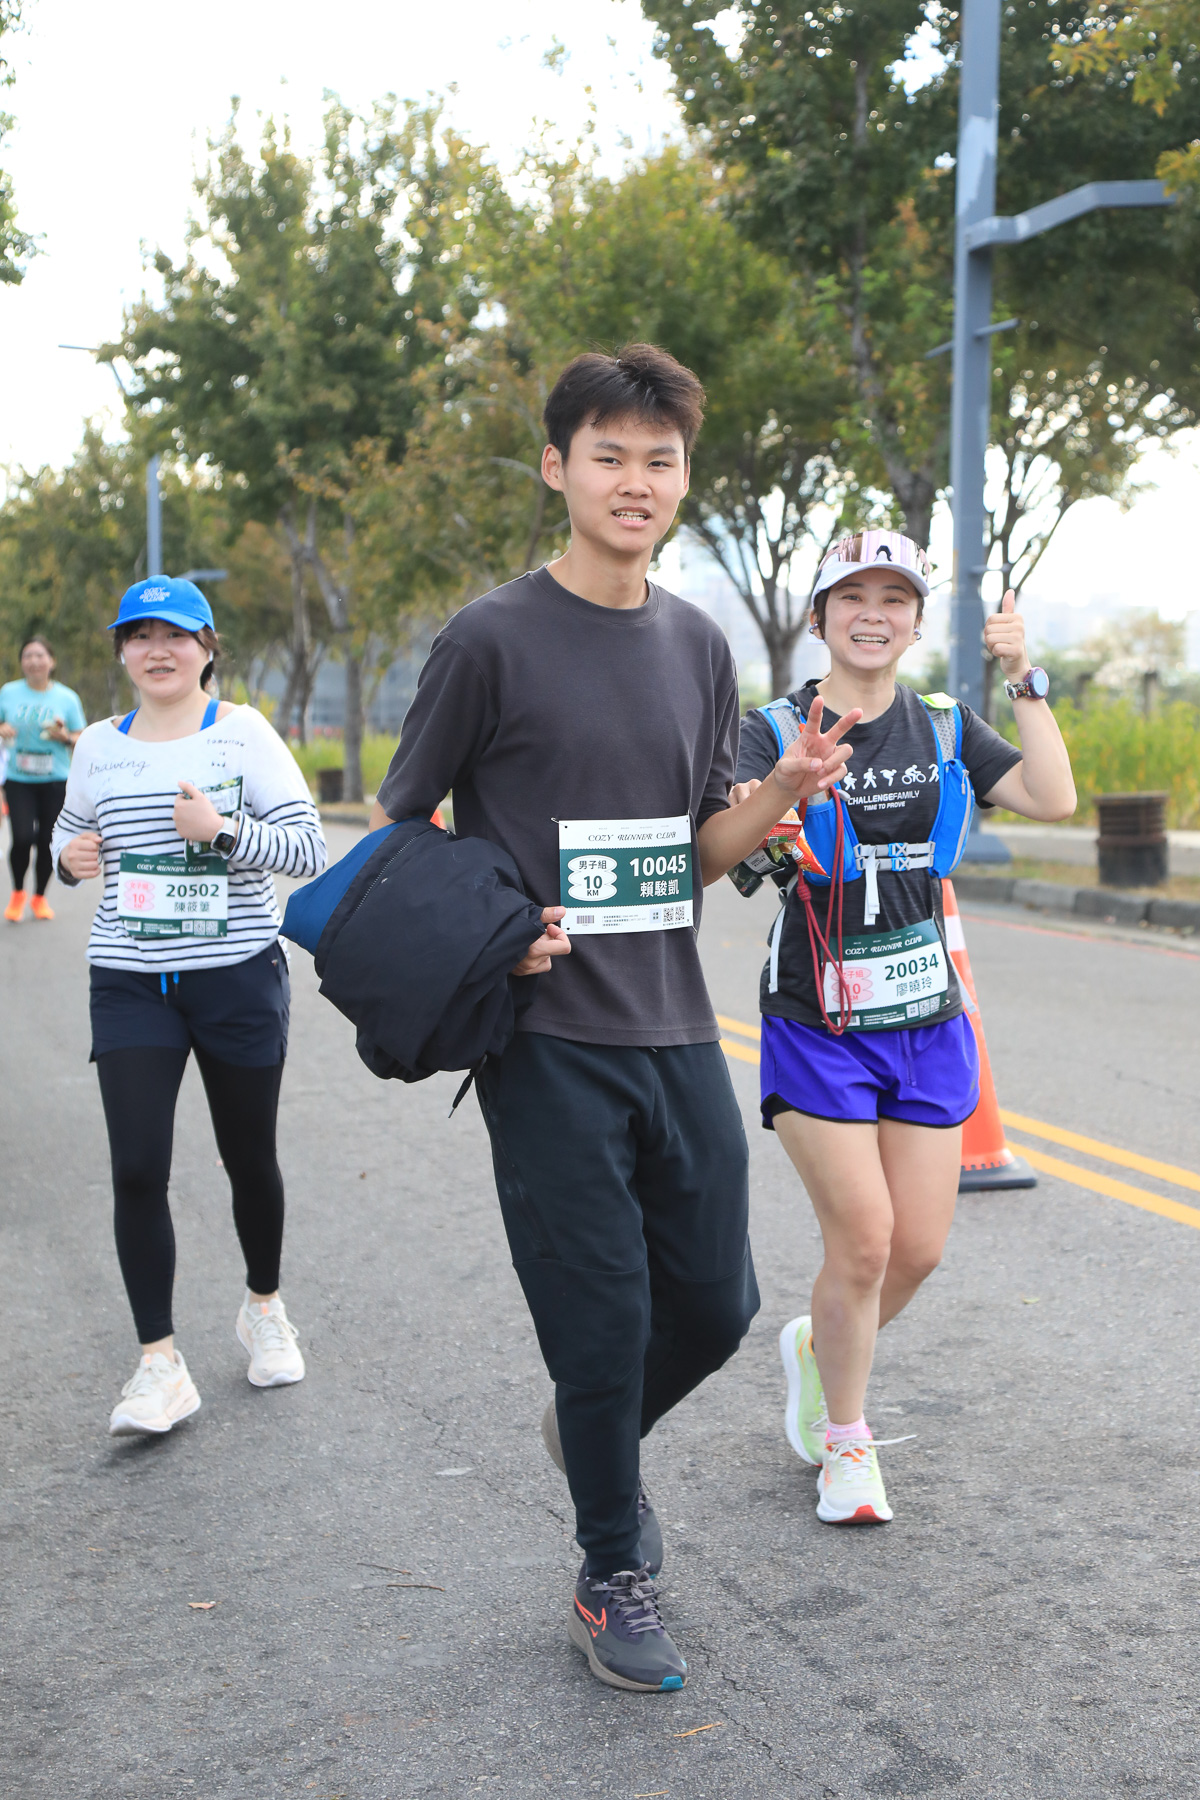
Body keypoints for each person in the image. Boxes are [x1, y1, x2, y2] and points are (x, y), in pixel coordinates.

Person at [367, 344, 855, 1693]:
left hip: (675, 1023)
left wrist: (783, 792)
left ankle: (592, 1430)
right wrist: (496, 930)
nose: (635, 481)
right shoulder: (488, 640)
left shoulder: (698, 645)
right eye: (608, 456)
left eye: (659, 460)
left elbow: (698, 848)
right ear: (557, 467)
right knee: (600, 1316)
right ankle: (609, 1566)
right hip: (543, 1041)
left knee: (716, 1301)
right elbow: (404, 825)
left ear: (682, 480)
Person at [734, 531, 1076, 1526]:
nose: (872, 614)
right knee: (865, 1243)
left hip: (927, 1018)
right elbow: (732, 839)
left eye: (894, 598)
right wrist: (781, 790)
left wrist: (1024, 678)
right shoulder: (771, 728)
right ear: (819, 618)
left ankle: (819, 1344)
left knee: (916, 1251)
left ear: (917, 622)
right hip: (818, 1020)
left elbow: (1052, 798)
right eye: (852, 596)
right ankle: (846, 1440)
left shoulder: (943, 724)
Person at [50, 577, 327, 1437]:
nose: (156, 650)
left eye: (175, 635)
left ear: (207, 648)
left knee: (249, 1157)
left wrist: (223, 832)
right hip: (130, 981)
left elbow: (309, 849)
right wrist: (69, 859)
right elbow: (67, 831)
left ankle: (264, 1306)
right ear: (122, 652)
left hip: (235, 975)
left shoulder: (242, 733)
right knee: (137, 1166)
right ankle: (159, 1364)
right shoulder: (97, 745)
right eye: (139, 636)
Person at [0, 635, 87, 922]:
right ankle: (17, 893)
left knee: (48, 841)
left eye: (40, 655)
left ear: (52, 661)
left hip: (55, 780)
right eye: (28, 655)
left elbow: (82, 737)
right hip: (19, 779)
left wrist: (65, 736)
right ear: (22, 662)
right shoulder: (8, 693)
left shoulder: (67, 698)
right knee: (22, 837)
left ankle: (39, 897)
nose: (34, 661)